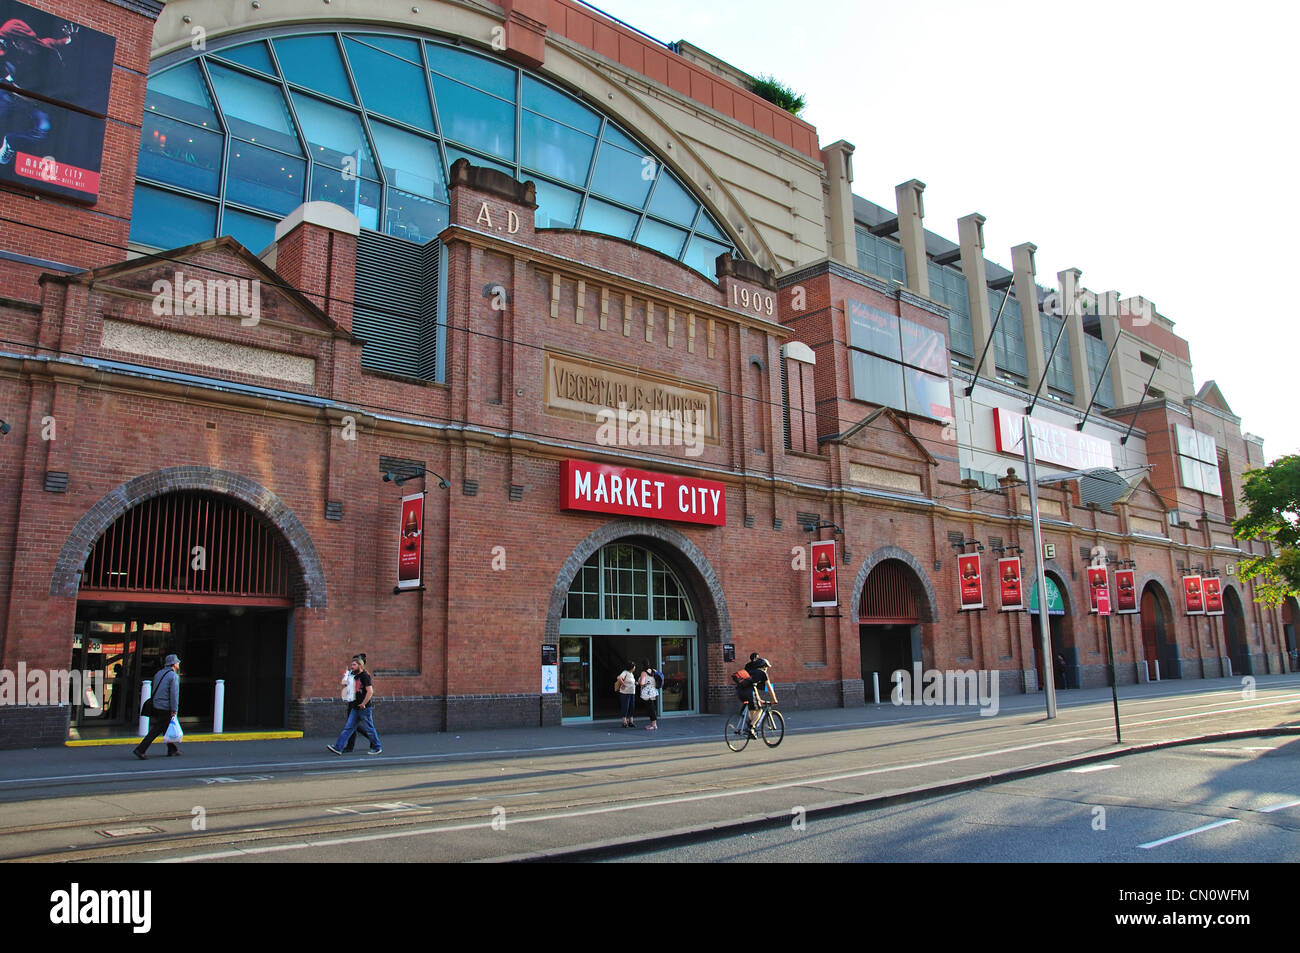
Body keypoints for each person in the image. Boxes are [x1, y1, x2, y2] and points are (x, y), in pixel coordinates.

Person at [328, 654, 382, 755]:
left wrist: (363, 703)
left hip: (364, 708)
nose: (351, 666)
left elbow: (370, 691)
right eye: (351, 665)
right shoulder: (354, 676)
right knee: (348, 728)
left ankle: (377, 747)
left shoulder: (365, 676)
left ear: (360, 665)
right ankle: (338, 747)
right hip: (354, 707)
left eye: (354, 665)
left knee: (369, 728)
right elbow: (346, 685)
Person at [133, 654, 181, 760]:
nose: (178, 664)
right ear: (173, 664)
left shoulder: (158, 673)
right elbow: (173, 694)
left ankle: (172, 749)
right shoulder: (173, 676)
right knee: (157, 729)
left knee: (165, 727)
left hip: (156, 704)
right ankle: (140, 749)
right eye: (177, 662)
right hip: (165, 706)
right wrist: (174, 709)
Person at [737, 654, 777, 739]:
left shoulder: (751, 672)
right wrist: (774, 700)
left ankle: (750, 727)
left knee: (753, 709)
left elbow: (753, 688)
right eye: (766, 667)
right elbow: (769, 688)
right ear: (763, 666)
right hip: (749, 692)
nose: (767, 669)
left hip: (740, 691)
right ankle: (751, 728)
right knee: (759, 710)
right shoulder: (762, 673)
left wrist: (759, 699)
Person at [638, 658, 661, 731]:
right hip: (653, 692)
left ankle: (654, 725)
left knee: (650, 709)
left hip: (647, 693)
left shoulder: (643, 673)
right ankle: (653, 724)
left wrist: (639, 682)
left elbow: (642, 683)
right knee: (652, 708)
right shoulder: (653, 670)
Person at [616, 661, 637, 727]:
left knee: (631, 707)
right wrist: (623, 684)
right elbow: (619, 678)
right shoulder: (625, 672)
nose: (635, 667)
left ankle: (631, 721)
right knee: (625, 707)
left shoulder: (631, 674)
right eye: (634, 666)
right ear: (631, 667)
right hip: (625, 693)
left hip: (632, 693)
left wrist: (635, 683)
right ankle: (624, 722)